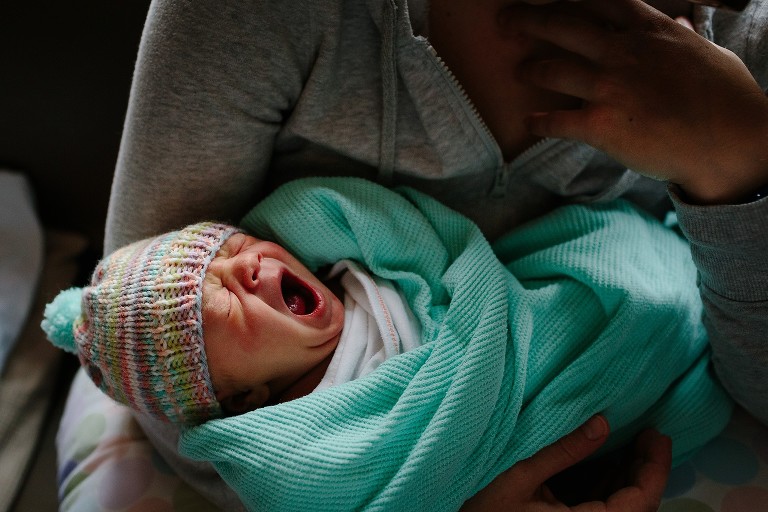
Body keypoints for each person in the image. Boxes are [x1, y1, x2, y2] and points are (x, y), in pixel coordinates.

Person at [90, 0, 768, 509]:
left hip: (625, 354)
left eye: (242, 251)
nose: (251, 268)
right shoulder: (269, 16)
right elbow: (155, 359)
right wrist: (439, 490)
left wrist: (737, 158)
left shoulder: (750, 44)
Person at [43, 220, 421, 423]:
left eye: (236, 246)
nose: (247, 263)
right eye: (225, 305)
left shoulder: (355, 260)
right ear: (244, 396)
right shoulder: (304, 441)